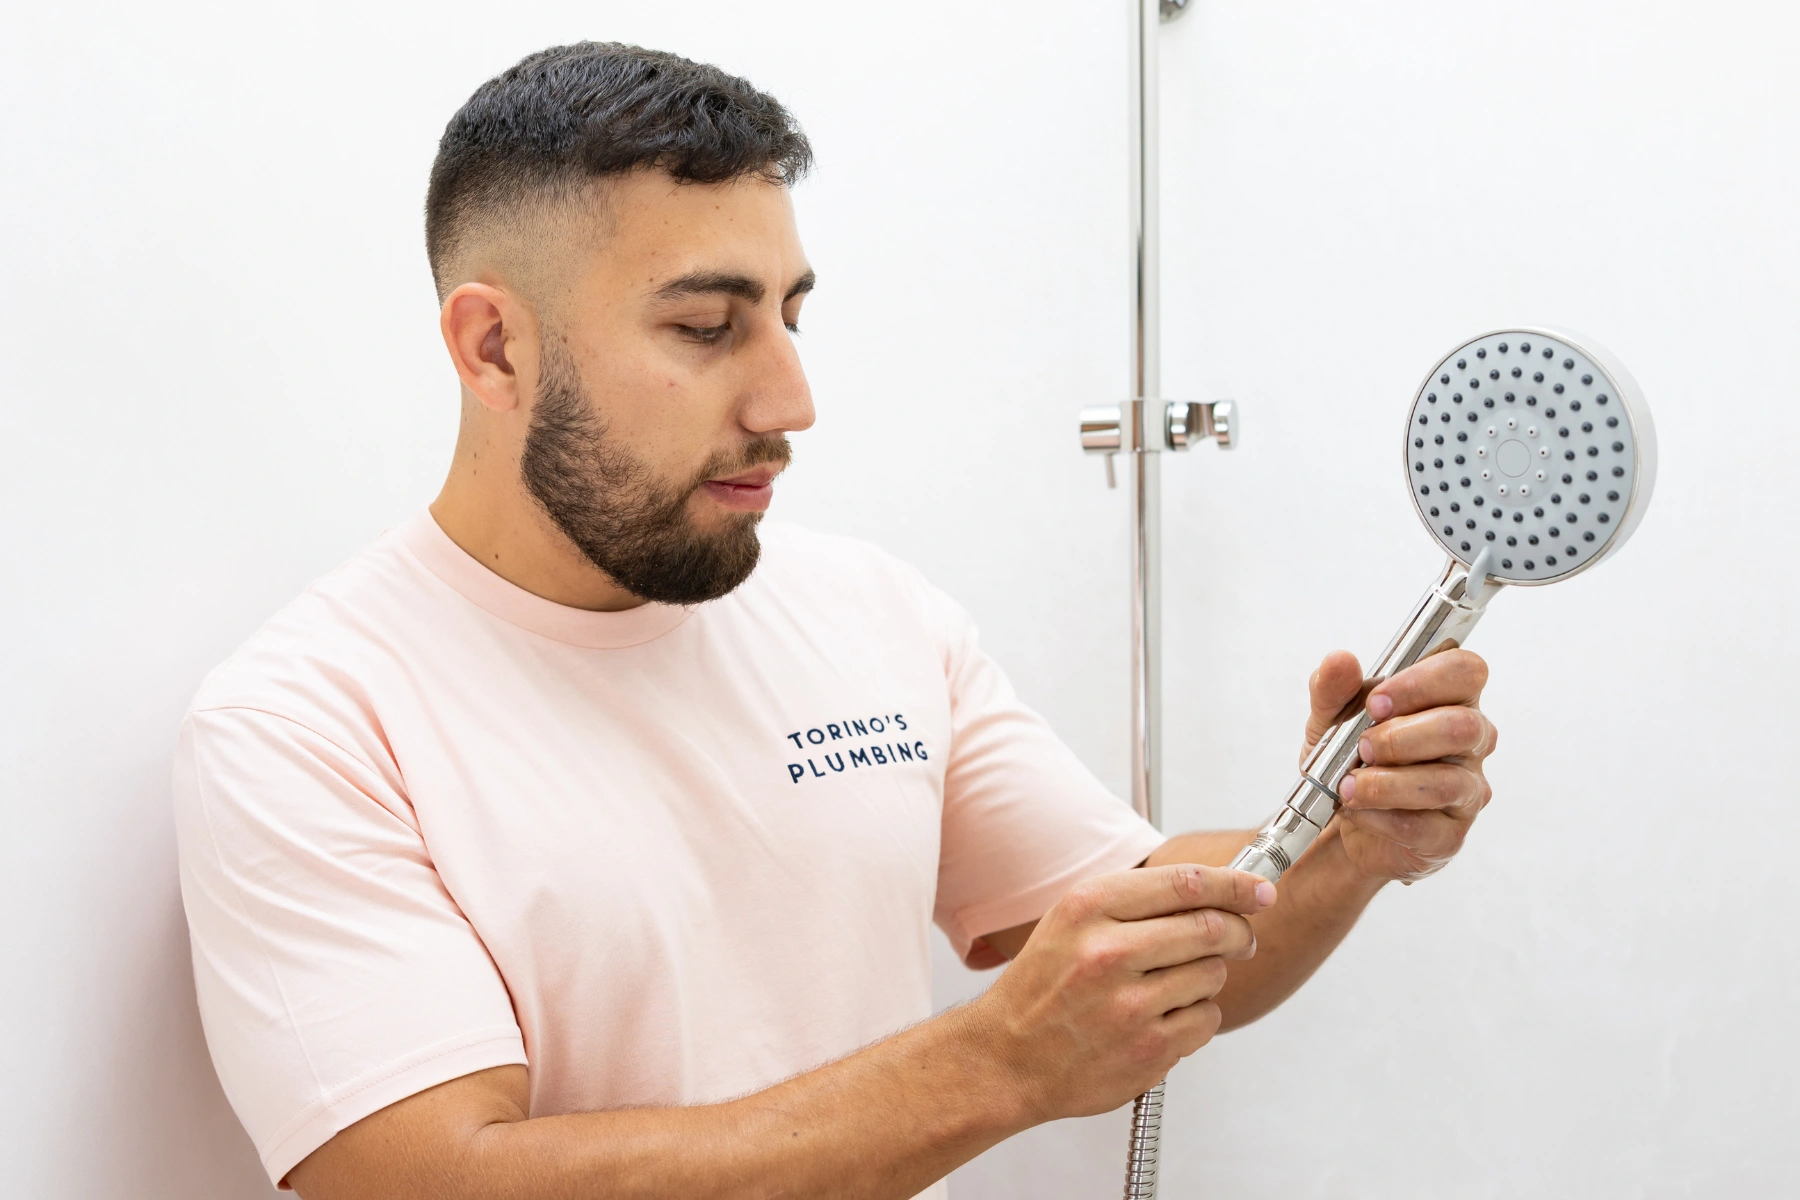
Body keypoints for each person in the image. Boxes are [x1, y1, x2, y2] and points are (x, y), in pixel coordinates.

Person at [173, 42, 1498, 1200]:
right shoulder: (307, 719)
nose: (789, 400)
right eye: (707, 326)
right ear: (494, 349)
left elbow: (1132, 950)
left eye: (792, 317)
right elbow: (436, 1181)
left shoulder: (869, 611)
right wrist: (993, 1064)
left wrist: (1346, 838)